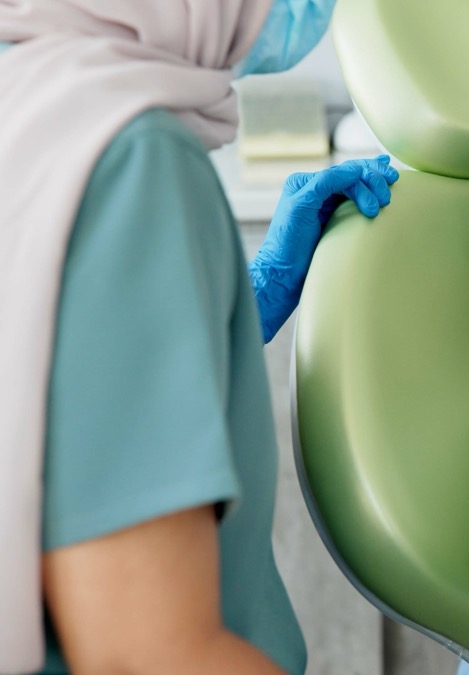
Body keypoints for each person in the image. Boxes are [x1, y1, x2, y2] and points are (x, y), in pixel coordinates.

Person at [0, 1, 395, 672]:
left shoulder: (31, 98)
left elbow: (57, 368)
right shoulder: (130, 155)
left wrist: (239, 299)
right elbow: (144, 650)